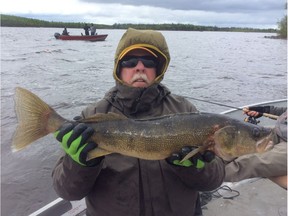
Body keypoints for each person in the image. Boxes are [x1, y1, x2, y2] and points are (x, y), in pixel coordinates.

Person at [52, 28, 225, 216]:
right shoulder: (93, 114)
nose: (140, 67)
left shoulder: (185, 110)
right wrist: (79, 165)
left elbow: (212, 182)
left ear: (159, 68)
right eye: (130, 61)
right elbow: (67, 191)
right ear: (119, 68)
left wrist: (196, 169)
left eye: (149, 62)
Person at [225, 105, 287, 189]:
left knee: (251, 161)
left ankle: (209, 176)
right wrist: (263, 110)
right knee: (241, 139)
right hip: (279, 132)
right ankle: (213, 163)